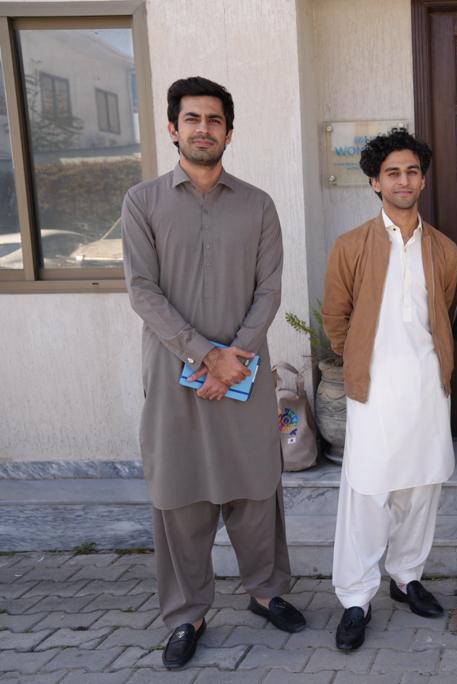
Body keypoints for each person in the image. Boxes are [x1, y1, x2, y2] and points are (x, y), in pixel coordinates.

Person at [122, 77, 305, 670]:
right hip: (176, 374)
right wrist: (206, 355)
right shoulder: (142, 202)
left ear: (230, 130)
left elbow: (270, 288)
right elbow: (142, 291)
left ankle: (266, 591)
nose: (204, 128)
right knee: (179, 496)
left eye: (215, 119)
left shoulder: (258, 204)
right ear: (172, 128)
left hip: (245, 374)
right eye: (192, 119)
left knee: (256, 487)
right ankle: (187, 614)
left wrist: (235, 357)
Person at [322, 129, 457, 651]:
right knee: (368, 491)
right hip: (373, 392)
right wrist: (363, 357)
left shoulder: (442, 248)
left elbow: (441, 311)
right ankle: (355, 599)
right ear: (375, 182)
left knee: (421, 489)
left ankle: (407, 577)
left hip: (428, 387)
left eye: (412, 171)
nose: (404, 180)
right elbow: (336, 317)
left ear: (423, 179)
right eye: (393, 172)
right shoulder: (351, 245)